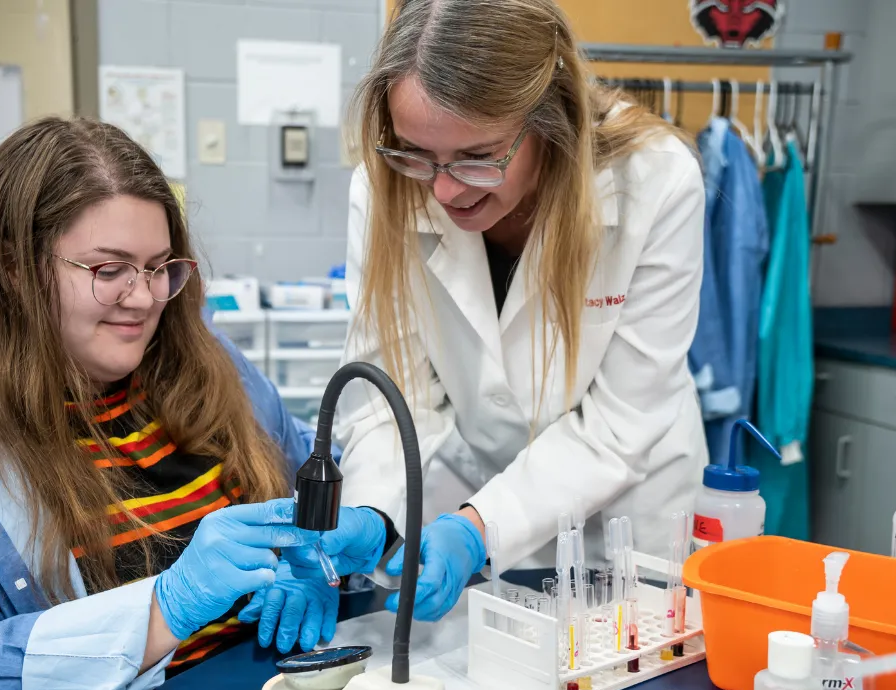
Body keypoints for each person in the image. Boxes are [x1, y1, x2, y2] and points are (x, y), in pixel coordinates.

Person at [0, 117, 364, 690]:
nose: (144, 299)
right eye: (109, 269)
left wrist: (322, 555)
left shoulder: (203, 361)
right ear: (13, 268)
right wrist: (162, 610)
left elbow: (314, 474)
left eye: (159, 268)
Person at [288, 0, 708, 621]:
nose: (445, 190)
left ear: (550, 118)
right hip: (468, 490)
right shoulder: (383, 189)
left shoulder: (657, 181)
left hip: (630, 517)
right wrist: (375, 513)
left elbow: (622, 422)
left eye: (477, 157)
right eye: (417, 154)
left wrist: (482, 527)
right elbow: (385, 391)